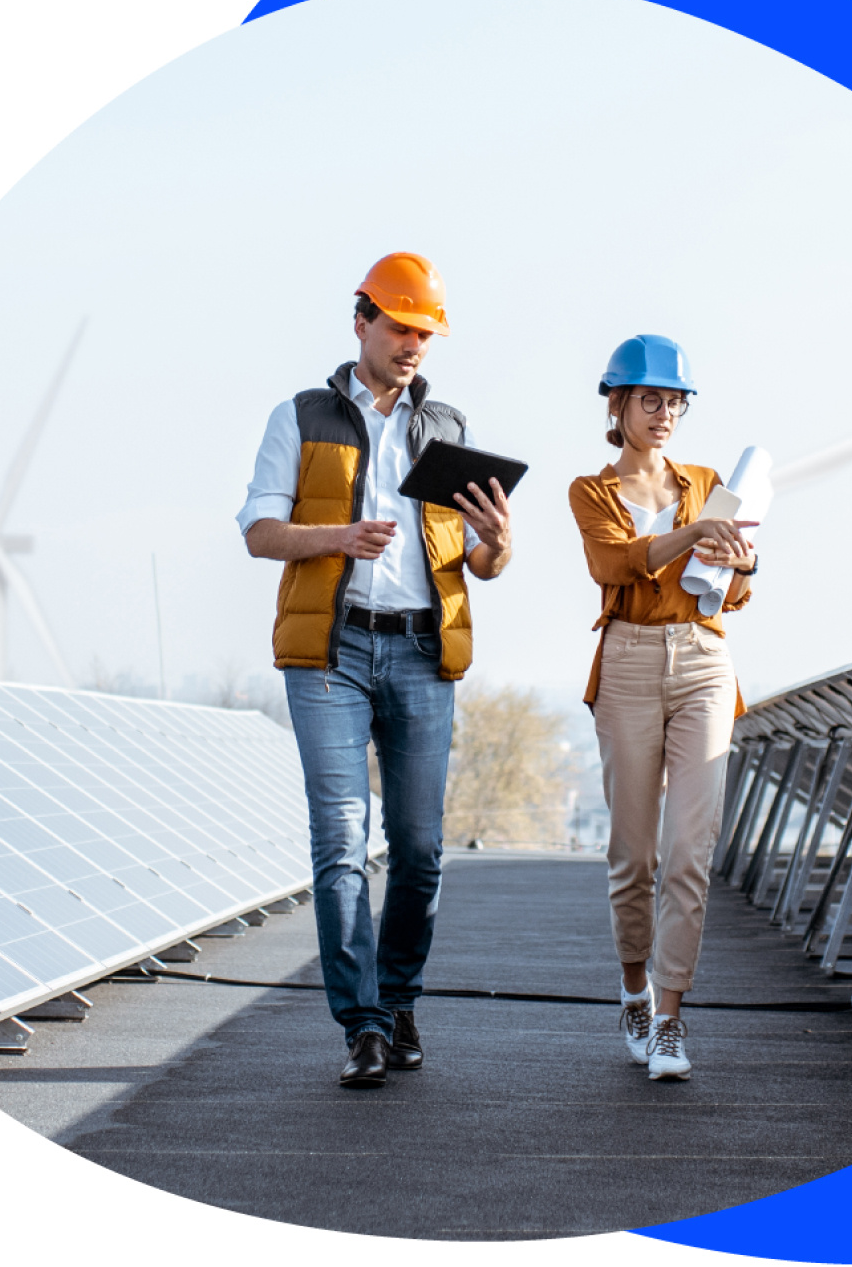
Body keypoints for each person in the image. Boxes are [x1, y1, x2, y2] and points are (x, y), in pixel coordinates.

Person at [237, 252, 513, 1089]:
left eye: (425, 332)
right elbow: (257, 530)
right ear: (361, 321)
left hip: (425, 651)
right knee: (341, 842)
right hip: (332, 650)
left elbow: (478, 560)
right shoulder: (302, 416)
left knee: (422, 849)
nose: (413, 345)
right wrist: (337, 539)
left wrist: (499, 543)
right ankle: (358, 1023)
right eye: (400, 327)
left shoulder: (450, 429)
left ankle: (398, 1003)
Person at [567, 335, 758, 1081]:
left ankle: (672, 1020)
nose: (665, 413)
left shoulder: (709, 482)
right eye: (652, 400)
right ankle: (634, 989)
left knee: (690, 851)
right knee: (634, 856)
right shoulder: (591, 490)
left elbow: (733, 593)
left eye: (675, 401)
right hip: (629, 661)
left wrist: (740, 564)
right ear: (618, 405)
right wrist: (692, 534)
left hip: (704, 660)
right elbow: (612, 564)